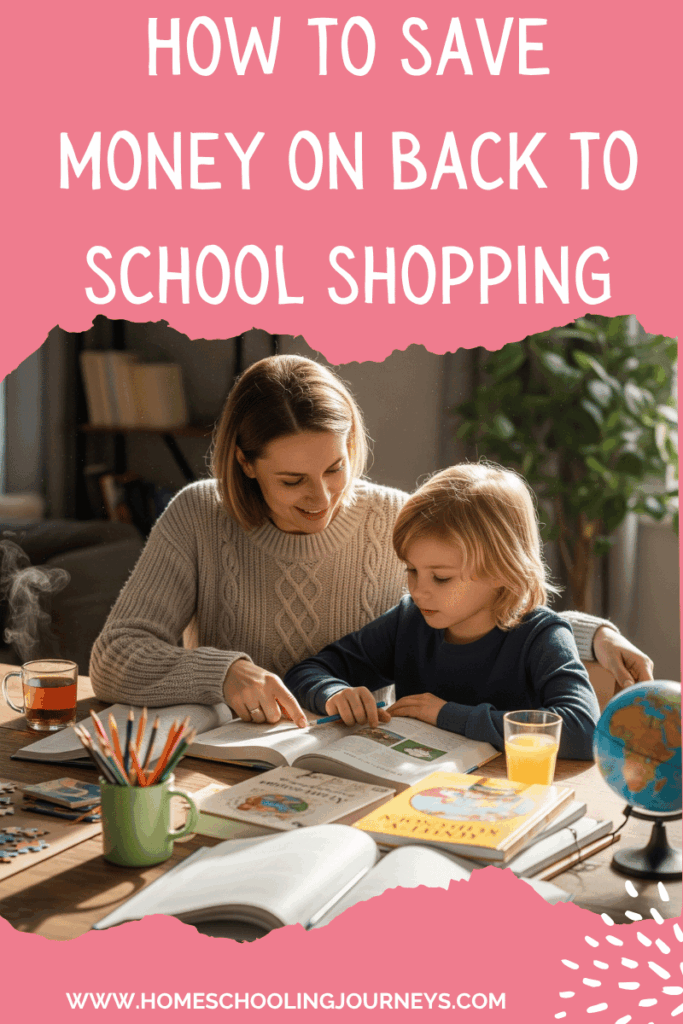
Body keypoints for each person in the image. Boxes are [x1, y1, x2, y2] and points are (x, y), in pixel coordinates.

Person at [89, 355, 653, 724]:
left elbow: (496, 593)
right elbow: (115, 657)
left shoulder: (398, 517)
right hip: (228, 756)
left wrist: (596, 635)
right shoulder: (198, 514)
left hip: (361, 754)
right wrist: (223, 672)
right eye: (292, 480)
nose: (323, 497)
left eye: (335, 468)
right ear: (245, 461)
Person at [284, 463, 600, 758]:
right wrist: (334, 693)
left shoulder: (541, 636)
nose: (418, 590)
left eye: (441, 577)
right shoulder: (409, 620)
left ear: (502, 570)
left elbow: (582, 730)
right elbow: (307, 672)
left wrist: (445, 714)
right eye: (411, 570)